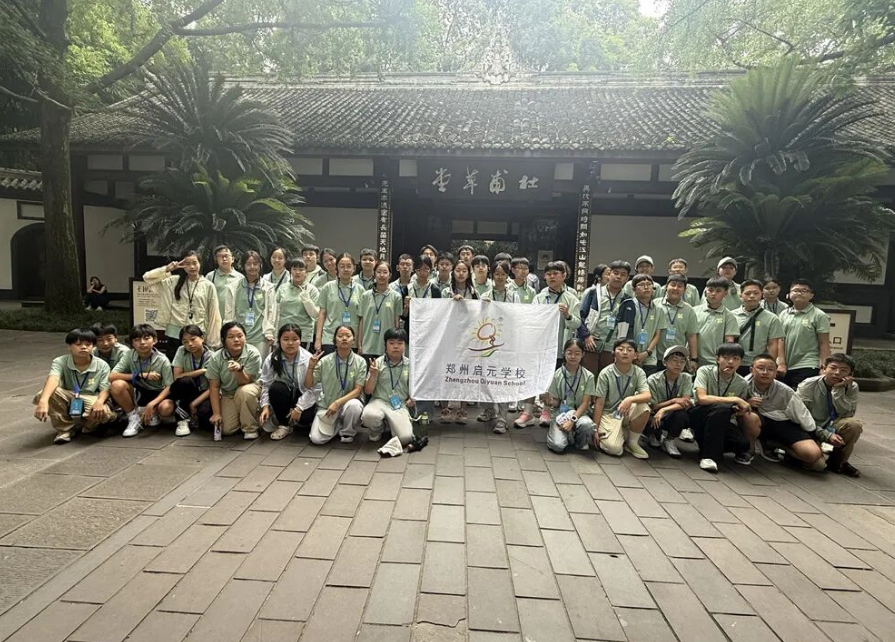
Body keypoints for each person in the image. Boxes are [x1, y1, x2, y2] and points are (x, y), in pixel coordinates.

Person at [519, 261, 581, 429]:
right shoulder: (539, 297)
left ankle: (546, 411)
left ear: (564, 276)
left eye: (556, 273)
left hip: (560, 347)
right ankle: (527, 412)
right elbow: (531, 319)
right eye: (549, 274)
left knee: (552, 379)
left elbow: (577, 324)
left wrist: (567, 315)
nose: (552, 277)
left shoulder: (571, 299)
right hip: (540, 346)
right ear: (544, 277)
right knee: (533, 377)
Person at [33, 328, 116, 444]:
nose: (83, 347)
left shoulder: (102, 365)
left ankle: (91, 424)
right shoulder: (60, 361)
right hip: (70, 394)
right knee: (49, 393)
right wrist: (43, 401)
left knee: (101, 412)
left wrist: (100, 402)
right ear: (69, 346)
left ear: (93, 346)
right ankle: (64, 430)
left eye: (88, 344)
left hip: (92, 396)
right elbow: (53, 378)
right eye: (78, 344)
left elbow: (105, 388)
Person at [745, 353, 825, 471]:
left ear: (776, 372)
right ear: (752, 370)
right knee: (749, 417)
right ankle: (749, 450)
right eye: (760, 368)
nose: (765, 372)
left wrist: (814, 436)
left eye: (770, 369)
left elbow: (802, 415)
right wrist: (746, 403)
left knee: (816, 460)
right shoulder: (742, 384)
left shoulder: (785, 390)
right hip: (759, 422)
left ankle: (777, 445)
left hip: (783, 422)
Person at [690, 343, 760, 472]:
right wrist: (735, 399)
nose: (730, 362)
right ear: (717, 359)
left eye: (735, 358)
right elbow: (702, 399)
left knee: (742, 444)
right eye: (726, 358)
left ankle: (707, 443)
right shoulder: (705, 371)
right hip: (698, 413)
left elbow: (735, 410)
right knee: (721, 408)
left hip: (720, 420)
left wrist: (739, 409)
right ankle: (709, 456)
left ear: (740, 362)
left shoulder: (741, 383)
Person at [143, 251, 223, 354]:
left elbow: (213, 314)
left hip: (197, 334)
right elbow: (147, 278)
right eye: (187, 264)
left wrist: (212, 340)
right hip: (174, 333)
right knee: (174, 362)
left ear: (200, 263)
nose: (192, 267)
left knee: (194, 363)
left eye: (194, 263)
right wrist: (168, 269)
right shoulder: (173, 281)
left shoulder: (208, 286)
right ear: (182, 265)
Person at [797, 353, 863, 477]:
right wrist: (826, 435)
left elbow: (847, 414)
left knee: (854, 425)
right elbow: (801, 417)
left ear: (850, 374)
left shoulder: (852, 387)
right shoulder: (808, 385)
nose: (837, 373)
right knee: (817, 465)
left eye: (843, 370)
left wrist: (838, 390)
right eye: (833, 368)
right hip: (811, 428)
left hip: (833, 425)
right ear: (824, 368)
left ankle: (839, 462)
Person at [476, 260, 520, 432]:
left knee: (503, 379)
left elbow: (518, 317)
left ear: (507, 275)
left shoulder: (514, 296)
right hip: (488, 342)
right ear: (492, 275)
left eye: (503, 274)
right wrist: (484, 307)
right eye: (497, 274)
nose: (500, 277)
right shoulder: (485, 295)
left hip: (507, 342)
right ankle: (488, 410)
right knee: (486, 375)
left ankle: (502, 417)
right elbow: (479, 319)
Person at [110, 324, 176, 437]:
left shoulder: (162, 360)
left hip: (157, 392)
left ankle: (153, 412)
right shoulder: (129, 355)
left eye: (146, 338)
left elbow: (169, 386)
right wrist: (140, 375)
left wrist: (152, 404)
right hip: (138, 391)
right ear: (132, 343)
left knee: (166, 408)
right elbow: (111, 376)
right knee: (117, 385)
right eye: (137, 340)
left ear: (154, 340)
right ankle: (133, 417)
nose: (142, 342)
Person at [305, 325, 367, 444]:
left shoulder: (360, 362)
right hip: (327, 406)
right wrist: (311, 367)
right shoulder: (324, 361)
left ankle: (347, 432)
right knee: (316, 439)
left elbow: (358, 390)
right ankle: (338, 425)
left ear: (353, 340)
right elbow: (308, 385)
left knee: (355, 406)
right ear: (335, 340)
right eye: (340, 336)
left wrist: (337, 403)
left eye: (348, 336)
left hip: (346, 405)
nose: (344, 338)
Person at [258, 324, 320, 441]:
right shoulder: (272, 359)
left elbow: (314, 389)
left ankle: (296, 420)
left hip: (302, 395)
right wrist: (265, 407)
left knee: (305, 418)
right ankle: (284, 425)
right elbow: (266, 385)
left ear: (300, 341)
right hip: (284, 395)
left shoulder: (308, 359)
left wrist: (299, 408)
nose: (290, 343)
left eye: (295, 339)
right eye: (286, 339)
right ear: (279, 340)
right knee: (275, 388)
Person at [591, 338, 652, 458]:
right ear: (614, 353)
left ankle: (632, 443)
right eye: (620, 349)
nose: (625, 352)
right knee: (614, 449)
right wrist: (595, 429)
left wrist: (629, 399)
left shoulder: (639, 372)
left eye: (629, 350)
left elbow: (647, 395)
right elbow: (599, 403)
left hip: (626, 410)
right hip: (609, 414)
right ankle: (623, 433)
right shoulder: (606, 373)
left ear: (636, 355)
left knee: (644, 407)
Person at [206, 321, 263, 440]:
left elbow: (245, 382)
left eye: (240, 336)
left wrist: (239, 370)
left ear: (245, 337)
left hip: (251, 387)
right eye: (231, 337)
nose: (236, 340)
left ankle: (250, 428)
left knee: (244, 392)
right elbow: (214, 387)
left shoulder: (253, 353)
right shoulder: (216, 358)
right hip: (229, 393)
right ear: (224, 340)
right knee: (227, 430)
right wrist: (216, 413)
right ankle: (246, 416)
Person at [361, 328, 415, 444]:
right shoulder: (377, 363)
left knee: (405, 438)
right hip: (379, 401)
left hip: (399, 404)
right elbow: (368, 391)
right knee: (368, 416)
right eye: (391, 343)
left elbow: (414, 389)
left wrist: (412, 399)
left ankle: (391, 425)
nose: (396, 346)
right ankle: (377, 430)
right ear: (385, 345)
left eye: (400, 343)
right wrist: (373, 376)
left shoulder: (410, 365)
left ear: (405, 345)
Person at [440, 261, 478, 424]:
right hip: (449, 337)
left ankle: (462, 409)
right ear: (453, 272)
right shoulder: (445, 291)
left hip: (467, 338)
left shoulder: (474, 293)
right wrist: (451, 301)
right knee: (446, 371)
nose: (461, 273)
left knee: (465, 373)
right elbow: (440, 312)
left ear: (469, 274)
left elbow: (478, 314)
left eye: (464, 270)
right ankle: (445, 407)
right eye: (458, 270)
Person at [543, 338, 597, 453]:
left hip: (580, 414)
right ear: (564, 353)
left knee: (587, 424)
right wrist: (550, 401)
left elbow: (585, 403)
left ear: (583, 354)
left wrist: (572, 421)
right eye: (569, 352)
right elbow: (557, 402)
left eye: (577, 353)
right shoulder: (557, 374)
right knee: (557, 446)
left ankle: (579, 440)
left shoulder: (589, 376)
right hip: (561, 415)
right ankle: (564, 434)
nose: (573, 356)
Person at [578, 260, 631, 375]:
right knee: (588, 379)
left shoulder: (627, 300)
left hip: (612, 348)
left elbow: (629, 327)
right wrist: (586, 336)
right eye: (615, 273)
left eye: (623, 275)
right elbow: (580, 317)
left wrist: (622, 348)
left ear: (627, 278)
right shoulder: (593, 293)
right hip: (591, 344)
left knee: (608, 380)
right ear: (609, 274)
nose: (618, 277)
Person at [224, 250, 276, 361]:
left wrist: (269, 332)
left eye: (255, 264)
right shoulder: (233, 287)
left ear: (260, 265)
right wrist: (227, 333)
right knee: (239, 366)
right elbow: (228, 313)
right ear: (243, 266)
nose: (252, 267)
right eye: (248, 264)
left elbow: (271, 311)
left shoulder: (268, 288)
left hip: (261, 337)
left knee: (259, 366)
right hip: (239, 336)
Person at [779, 279, 830, 388]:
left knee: (801, 395)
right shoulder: (783, 314)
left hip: (808, 364)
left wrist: (824, 367)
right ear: (789, 294)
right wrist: (781, 363)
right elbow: (780, 340)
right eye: (796, 290)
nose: (799, 293)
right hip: (786, 366)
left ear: (811, 295)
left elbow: (824, 343)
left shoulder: (819, 315)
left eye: (804, 291)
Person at [646, 346, 694, 457]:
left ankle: (670, 440)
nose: (678, 364)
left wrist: (664, 409)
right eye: (675, 361)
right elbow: (654, 406)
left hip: (670, 413)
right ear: (665, 362)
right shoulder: (653, 379)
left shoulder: (686, 378)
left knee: (682, 415)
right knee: (646, 414)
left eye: (682, 362)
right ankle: (653, 434)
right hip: (655, 414)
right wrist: (673, 401)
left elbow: (685, 401)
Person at [731, 279, 785, 375]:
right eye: (747, 293)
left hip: (759, 365)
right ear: (740, 295)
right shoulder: (731, 316)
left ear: (762, 295)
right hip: (734, 362)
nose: (752, 296)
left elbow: (773, 344)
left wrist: (769, 365)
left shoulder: (771, 318)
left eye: (756, 293)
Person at [169, 324, 212, 437]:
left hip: (204, 392)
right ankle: (181, 420)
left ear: (202, 338)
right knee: (185, 381)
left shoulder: (212, 356)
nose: (190, 344)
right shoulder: (181, 351)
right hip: (185, 389)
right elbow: (177, 377)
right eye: (185, 342)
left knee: (206, 420)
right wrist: (201, 371)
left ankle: (192, 415)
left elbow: (213, 386)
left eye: (193, 339)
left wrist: (194, 404)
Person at [315, 253, 363, 355]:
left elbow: (361, 318)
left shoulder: (360, 289)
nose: (345, 269)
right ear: (337, 268)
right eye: (342, 266)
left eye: (349, 266)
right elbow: (322, 313)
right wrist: (318, 339)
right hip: (330, 337)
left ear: (354, 268)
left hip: (351, 339)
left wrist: (360, 343)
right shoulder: (328, 287)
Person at [358, 260, 403, 359]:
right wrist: (360, 344)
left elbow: (396, 324)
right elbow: (361, 321)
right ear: (374, 274)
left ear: (390, 275)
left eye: (385, 272)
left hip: (386, 347)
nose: (381, 275)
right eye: (378, 272)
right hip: (367, 345)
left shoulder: (396, 297)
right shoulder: (365, 296)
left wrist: (395, 344)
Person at [273, 258, 320, 351]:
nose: (297, 272)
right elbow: (275, 312)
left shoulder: (312, 290)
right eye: (294, 269)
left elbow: (316, 314)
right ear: (290, 271)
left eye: (301, 269)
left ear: (306, 272)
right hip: (284, 333)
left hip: (303, 335)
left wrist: (306, 299)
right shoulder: (282, 288)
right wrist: (274, 335)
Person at [655, 274, 699, 373]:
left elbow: (691, 335)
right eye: (673, 285)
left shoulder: (689, 310)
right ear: (666, 287)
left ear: (685, 290)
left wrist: (694, 359)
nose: (676, 288)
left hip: (678, 359)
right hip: (656, 357)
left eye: (680, 286)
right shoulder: (655, 305)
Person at [624, 274, 666, 375]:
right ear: (634, 289)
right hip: (629, 354)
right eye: (641, 284)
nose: (646, 287)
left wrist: (647, 352)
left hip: (649, 356)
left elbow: (657, 334)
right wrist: (633, 352)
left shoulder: (659, 309)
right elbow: (623, 331)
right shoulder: (628, 305)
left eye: (649, 284)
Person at [694, 277, 740, 366]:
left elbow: (729, 342)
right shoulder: (694, 311)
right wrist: (692, 358)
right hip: (694, 360)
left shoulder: (729, 316)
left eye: (718, 291)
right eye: (710, 290)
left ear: (725, 293)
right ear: (705, 292)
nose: (713, 294)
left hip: (715, 362)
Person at [205, 245, 245, 318]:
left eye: (226, 256)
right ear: (216, 260)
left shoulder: (240, 278)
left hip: (235, 318)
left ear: (232, 259)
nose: (224, 259)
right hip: (216, 317)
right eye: (220, 256)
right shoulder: (210, 277)